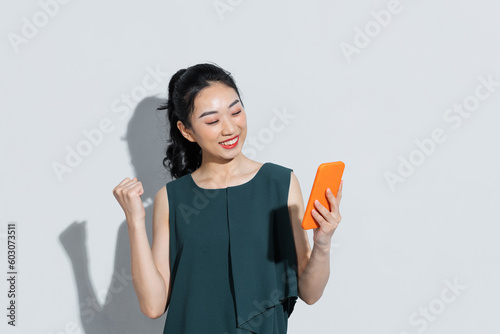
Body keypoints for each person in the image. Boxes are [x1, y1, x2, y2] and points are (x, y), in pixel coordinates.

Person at [112, 63, 343, 333]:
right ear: (187, 131)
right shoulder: (172, 199)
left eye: (235, 112)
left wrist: (323, 242)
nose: (229, 128)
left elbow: (310, 293)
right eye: (212, 121)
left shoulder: (280, 183)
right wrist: (135, 221)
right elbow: (153, 306)